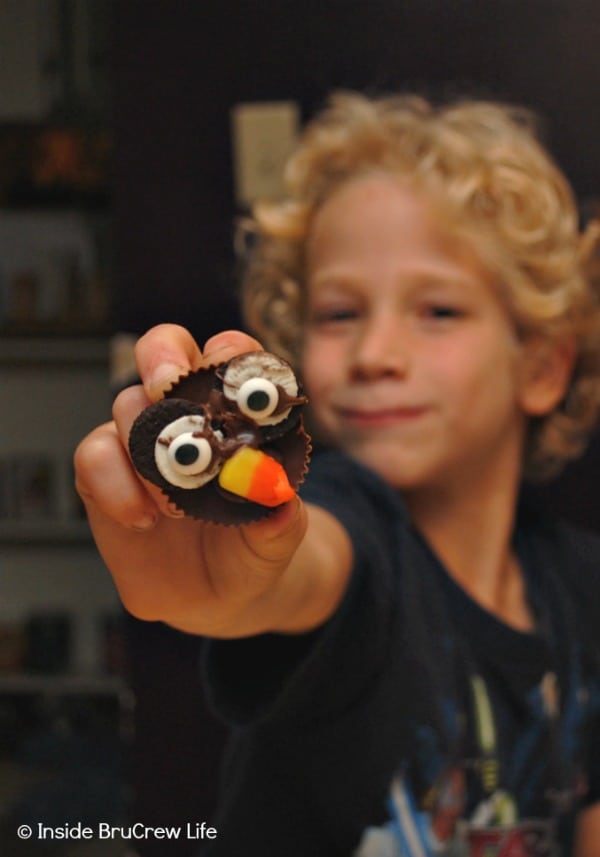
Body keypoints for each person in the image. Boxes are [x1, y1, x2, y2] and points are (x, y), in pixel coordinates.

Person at [75, 92, 600, 856]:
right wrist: (252, 561)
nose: (374, 352)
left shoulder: (583, 588)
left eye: (439, 311)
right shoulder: (353, 532)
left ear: (544, 365)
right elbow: (313, 562)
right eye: (338, 313)